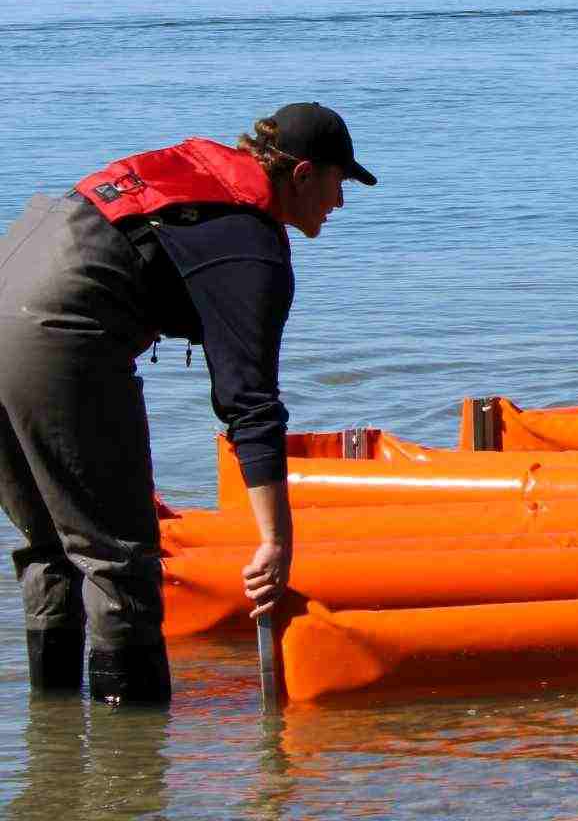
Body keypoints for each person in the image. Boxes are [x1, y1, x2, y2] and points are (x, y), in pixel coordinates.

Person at [0, 103, 376, 704]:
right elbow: (249, 402)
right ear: (303, 175)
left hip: (11, 283)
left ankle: (54, 743)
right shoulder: (250, 245)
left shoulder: (202, 179)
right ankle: (130, 754)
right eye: (339, 183)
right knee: (120, 562)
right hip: (58, 333)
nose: (340, 202)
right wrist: (276, 540)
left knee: (52, 549)